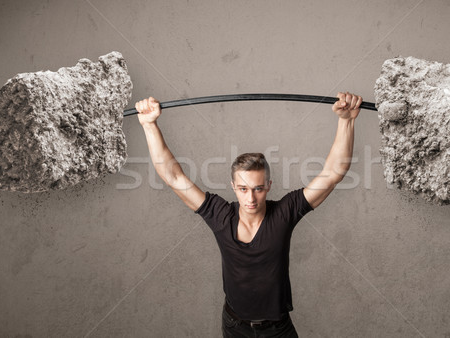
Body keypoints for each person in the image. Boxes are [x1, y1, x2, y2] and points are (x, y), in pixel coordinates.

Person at [135, 92, 362, 337]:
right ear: (233, 187)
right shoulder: (220, 215)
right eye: (243, 189)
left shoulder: (283, 213)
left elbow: (333, 173)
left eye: (258, 189)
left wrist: (346, 121)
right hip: (235, 328)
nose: (251, 198)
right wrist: (149, 124)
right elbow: (173, 177)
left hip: (277, 329)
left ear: (269, 186)